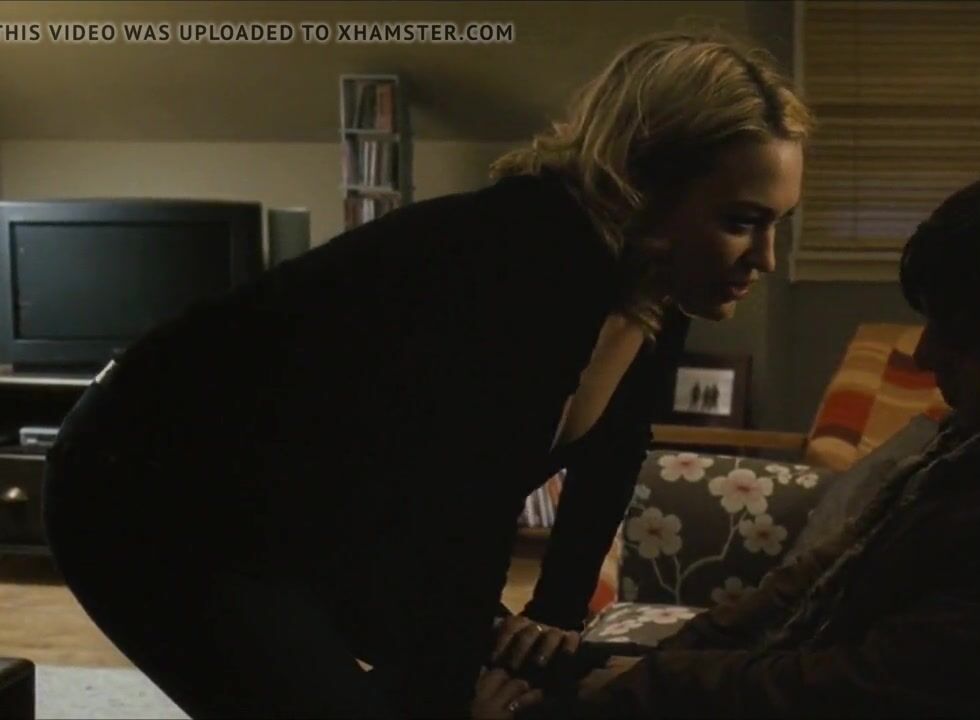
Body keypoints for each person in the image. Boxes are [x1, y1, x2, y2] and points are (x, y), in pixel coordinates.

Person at [41, 30, 811, 719]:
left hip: (324, 508)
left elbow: (612, 452)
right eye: (740, 221)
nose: (766, 259)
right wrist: (449, 694)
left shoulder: (656, 282)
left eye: (776, 223)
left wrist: (553, 615)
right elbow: (455, 514)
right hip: (151, 490)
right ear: (648, 182)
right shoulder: (522, 258)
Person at [486, 146, 980, 718]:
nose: (925, 355)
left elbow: (875, 688)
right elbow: (838, 567)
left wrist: (653, 683)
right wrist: (672, 656)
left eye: (960, 342)